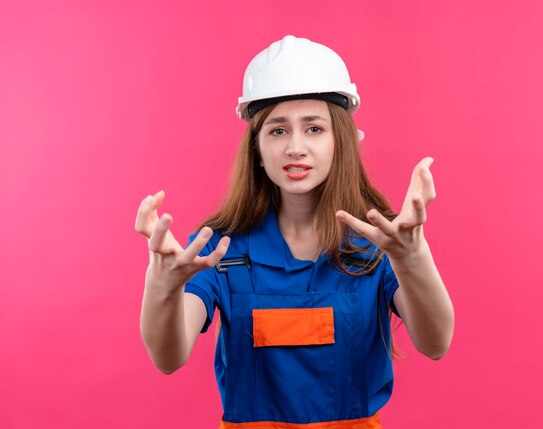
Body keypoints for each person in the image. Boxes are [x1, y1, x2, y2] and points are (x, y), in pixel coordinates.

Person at [135, 35, 454, 428]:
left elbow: (436, 343)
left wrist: (412, 258)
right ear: (256, 149)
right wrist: (162, 286)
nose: (296, 148)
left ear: (343, 142)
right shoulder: (219, 246)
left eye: (314, 129)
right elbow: (168, 358)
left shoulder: (382, 240)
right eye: (278, 131)